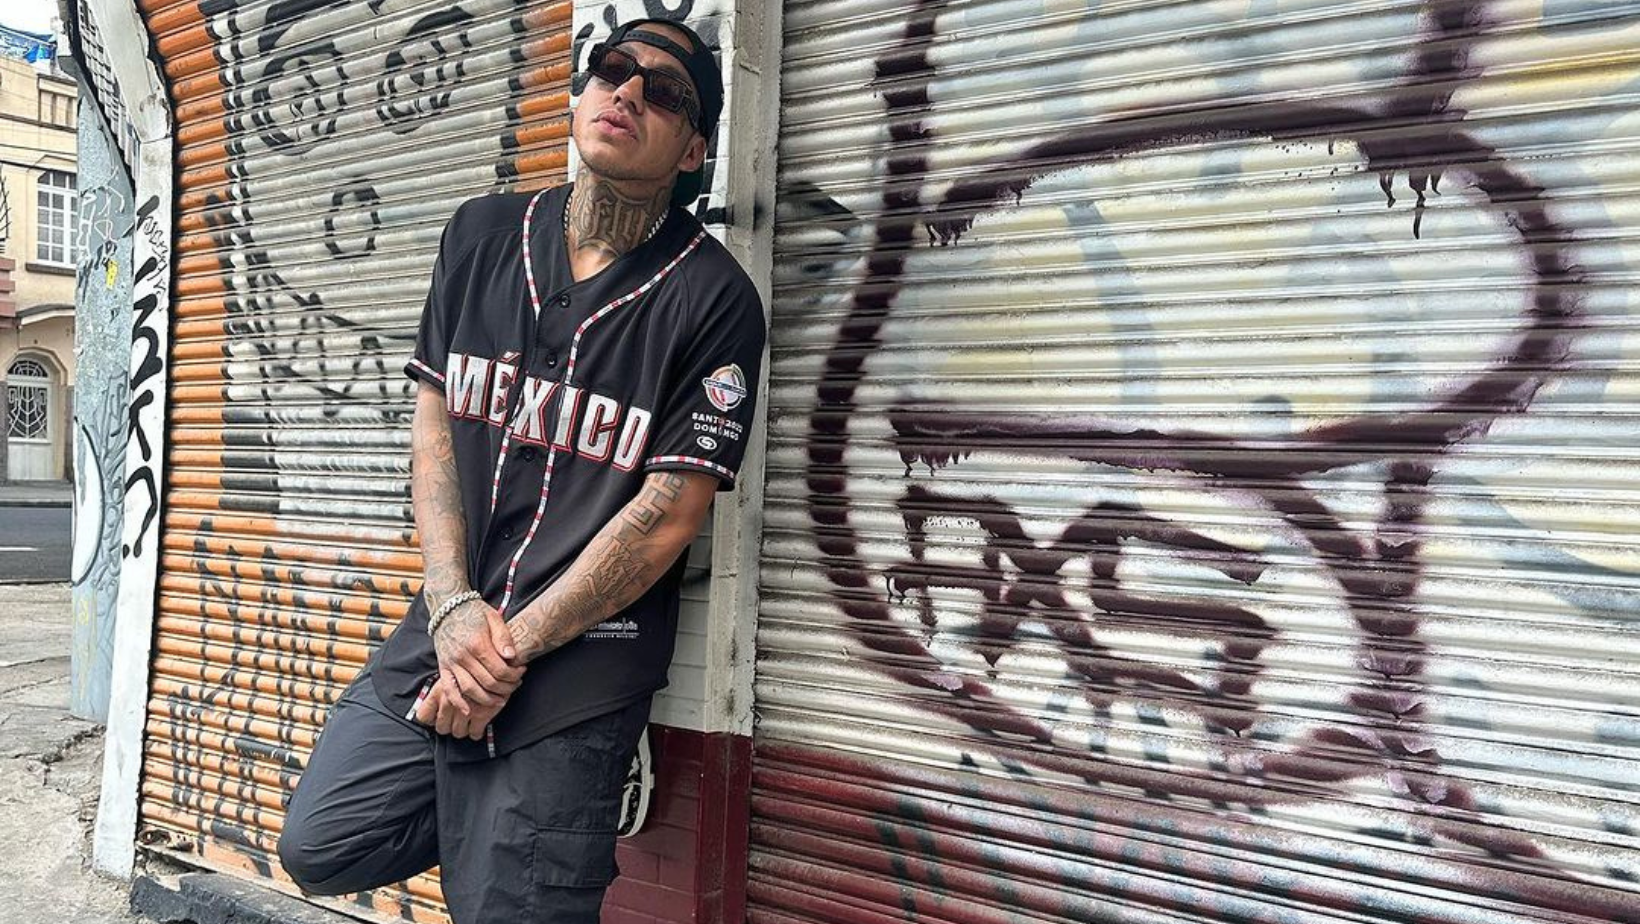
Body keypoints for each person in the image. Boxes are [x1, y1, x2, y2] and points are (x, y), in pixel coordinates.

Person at [277, 18, 764, 923]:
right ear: (580, 93)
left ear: (694, 148)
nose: (627, 92)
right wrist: (453, 607)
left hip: (576, 676)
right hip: (446, 628)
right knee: (323, 841)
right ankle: (504, 823)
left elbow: (667, 514)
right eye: (611, 70)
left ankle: (556, 818)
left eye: (664, 91)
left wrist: (502, 659)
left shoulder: (715, 298)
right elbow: (434, 423)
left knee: (512, 906)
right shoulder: (483, 233)